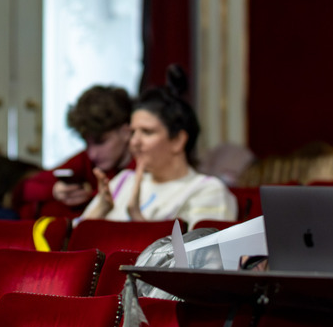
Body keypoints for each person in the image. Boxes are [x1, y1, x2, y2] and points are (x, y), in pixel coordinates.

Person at [81, 67, 237, 226]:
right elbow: (73, 239)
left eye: (147, 132)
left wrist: (139, 221)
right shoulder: (123, 181)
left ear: (178, 140)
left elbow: (203, 242)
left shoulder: (206, 190)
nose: (134, 142)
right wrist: (100, 210)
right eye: (133, 132)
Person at [18, 85, 135, 217]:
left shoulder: (144, 165)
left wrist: (89, 197)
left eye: (100, 142)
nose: (92, 154)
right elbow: (25, 189)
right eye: (87, 143)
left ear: (126, 132)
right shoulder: (86, 160)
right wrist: (54, 191)